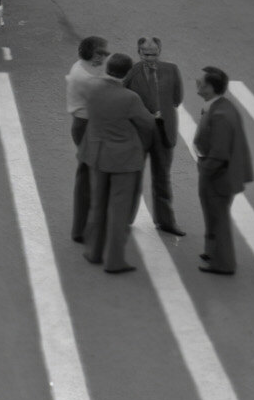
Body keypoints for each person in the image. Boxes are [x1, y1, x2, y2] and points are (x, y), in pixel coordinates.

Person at [81, 53, 158, 274]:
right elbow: (148, 123)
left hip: (97, 152)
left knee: (98, 205)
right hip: (123, 159)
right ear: (127, 72)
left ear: (108, 67)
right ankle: (114, 260)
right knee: (119, 211)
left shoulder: (91, 87)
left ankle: (93, 251)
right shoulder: (130, 98)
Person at [123, 36, 187, 236]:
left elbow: (177, 99)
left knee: (162, 178)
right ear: (139, 52)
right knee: (133, 176)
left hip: (163, 129)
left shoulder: (172, 69)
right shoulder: (131, 72)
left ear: (160, 51)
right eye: (146, 54)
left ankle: (166, 222)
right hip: (139, 131)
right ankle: (125, 219)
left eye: (154, 54)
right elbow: (123, 98)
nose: (150, 58)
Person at [193, 67, 253, 275]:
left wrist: (204, 170)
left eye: (200, 82)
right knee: (212, 215)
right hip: (219, 172)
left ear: (210, 88)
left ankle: (223, 263)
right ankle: (211, 251)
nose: (197, 84)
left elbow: (219, 154)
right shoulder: (220, 106)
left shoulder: (220, 115)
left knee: (218, 218)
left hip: (217, 176)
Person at [65, 36, 111, 243]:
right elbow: (105, 98)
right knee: (89, 176)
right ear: (89, 53)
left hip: (84, 124)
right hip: (87, 126)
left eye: (105, 53)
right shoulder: (85, 78)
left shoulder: (83, 67)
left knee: (89, 174)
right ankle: (82, 229)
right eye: (100, 53)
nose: (104, 57)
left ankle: (85, 226)